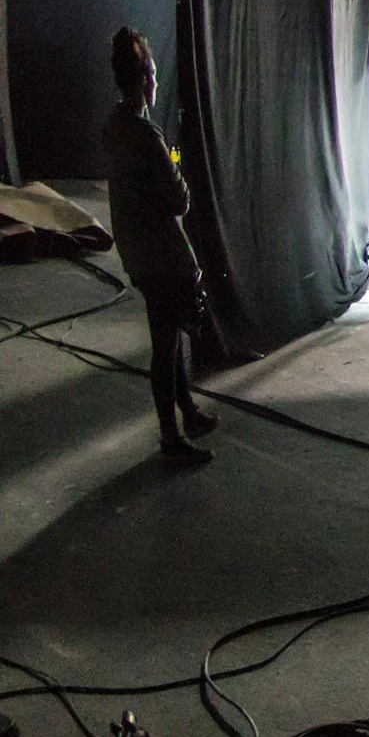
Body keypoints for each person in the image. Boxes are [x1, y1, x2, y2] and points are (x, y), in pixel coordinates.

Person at [101, 27, 216, 464]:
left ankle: (187, 413)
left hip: (136, 252)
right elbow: (180, 200)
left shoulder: (114, 126)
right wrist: (173, 161)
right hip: (160, 258)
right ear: (146, 79)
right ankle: (171, 439)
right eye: (152, 72)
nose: (156, 79)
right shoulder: (147, 136)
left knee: (169, 338)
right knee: (165, 347)